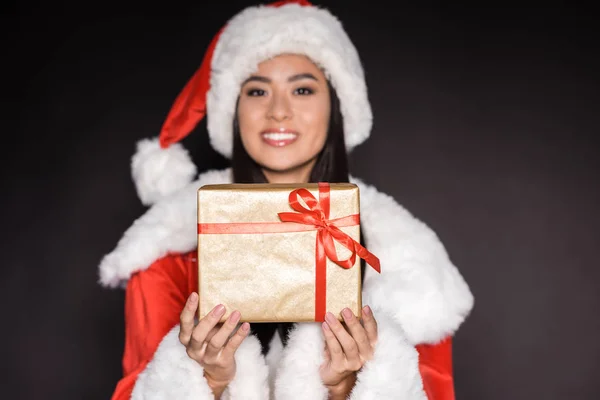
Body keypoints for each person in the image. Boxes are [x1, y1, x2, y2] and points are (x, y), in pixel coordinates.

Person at [99, 1, 474, 399]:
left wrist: (348, 387)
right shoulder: (169, 256)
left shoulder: (409, 268)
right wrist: (205, 379)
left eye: (302, 89)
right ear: (233, 109)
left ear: (336, 107)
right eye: (257, 90)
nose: (278, 111)